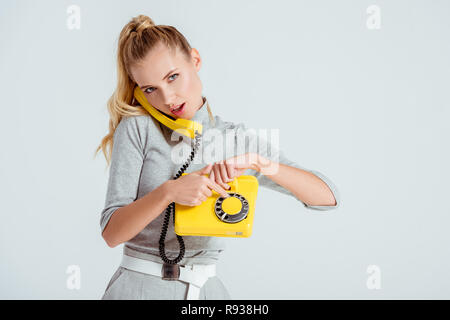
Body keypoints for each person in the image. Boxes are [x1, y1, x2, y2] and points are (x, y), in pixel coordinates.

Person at [95, 14, 341, 300]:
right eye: (151, 89)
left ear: (195, 60)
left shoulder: (235, 140)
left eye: (173, 77)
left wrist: (259, 163)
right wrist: (169, 192)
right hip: (139, 287)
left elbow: (327, 198)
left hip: (206, 291)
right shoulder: (138, 127)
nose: (168, 98)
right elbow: (112, 233)